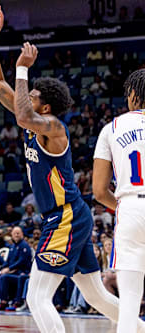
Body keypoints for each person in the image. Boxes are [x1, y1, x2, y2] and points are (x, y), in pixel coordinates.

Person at [0, 5, 142, 333]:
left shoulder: (54, 128)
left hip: (66, 215)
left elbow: (23, 114)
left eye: (31, 96)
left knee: (37, 296)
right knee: (96, 296)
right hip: (67, 216)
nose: (23, 99)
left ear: (45, 106)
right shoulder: (32, 119)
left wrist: (23, 70)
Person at [92, 68, 145, 333]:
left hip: (130, 207)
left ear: (133, 95)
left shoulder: (111, 128)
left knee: (129, 305)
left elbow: (99, 191)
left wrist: (124, 207)